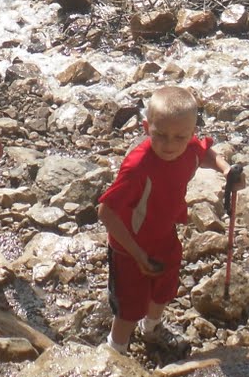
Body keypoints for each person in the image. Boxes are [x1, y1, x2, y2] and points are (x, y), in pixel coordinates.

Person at [98, 83, 240, 354]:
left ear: (191, 133)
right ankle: (115, 352)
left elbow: (205, 153)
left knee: (164, 287)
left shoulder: (188, 149)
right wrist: (138, 255)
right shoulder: (138, 166)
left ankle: (151, 328)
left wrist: (225, 169)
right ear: (145, 128)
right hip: (129, 247)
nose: (169, 145)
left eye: (180, 137)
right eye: (160, 135)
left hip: (164, 235)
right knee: (129, 306)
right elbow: (106, 212)